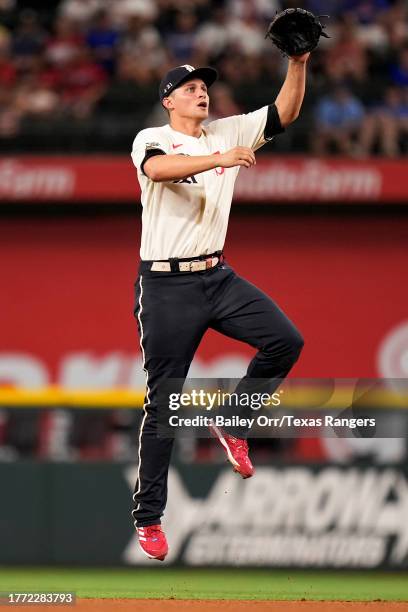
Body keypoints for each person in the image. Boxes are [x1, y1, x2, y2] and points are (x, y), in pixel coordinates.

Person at [130, 58, 308, 561]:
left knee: (285, 341)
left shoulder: (226, 131)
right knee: (163, 402)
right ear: (169, 100)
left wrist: (298, 62)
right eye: (189, 88)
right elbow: (158, 170)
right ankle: (148, 518)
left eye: (204, 85)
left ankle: (232, 420)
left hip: (217, 276)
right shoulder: (152, 137)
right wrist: (220, 159)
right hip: (166, 285)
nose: (201, 92)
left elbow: (283, 113)